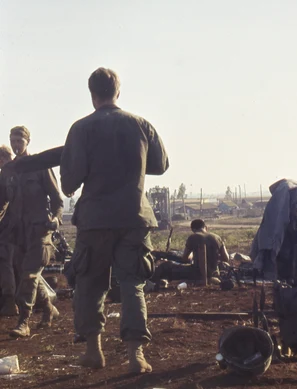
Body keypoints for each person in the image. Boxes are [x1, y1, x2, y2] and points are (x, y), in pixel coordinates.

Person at [61, 67, 169, 373]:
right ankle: (136, 355)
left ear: (92, 93)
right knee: (133, 284)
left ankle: (94, 351)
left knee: (90, 284)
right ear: (117, 91)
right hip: (134, 217)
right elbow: (161, 165)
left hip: (95, 220)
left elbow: (69, 184)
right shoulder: (140, 124)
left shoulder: (80, 129)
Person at [0, 127, 64, 338]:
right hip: (18, 233)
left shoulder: (40, 166)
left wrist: (56, 218)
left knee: (29, 275)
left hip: (40, 231)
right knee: (28, 275)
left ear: (28, 141)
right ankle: (48, 309)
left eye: (20, 140)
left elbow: (57, 199)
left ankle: (23, 322)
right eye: (13, 140)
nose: (16, 144)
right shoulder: (8, 171)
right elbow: (2, 202)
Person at [153, 219, 229, 283]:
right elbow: (226, 258)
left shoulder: (193, 237)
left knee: (166, 266)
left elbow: (185, 258)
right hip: (214, 272)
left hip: (196, 273)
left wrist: (193, 256)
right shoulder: (217, 237)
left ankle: (154, 283)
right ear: (206, 227)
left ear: (193, 229)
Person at [0, 145, 17, 316]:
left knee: (5, 262)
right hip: (15, 226)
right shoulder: (11, 173)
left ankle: (10, 301)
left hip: (11, 228)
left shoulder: (7, 175)